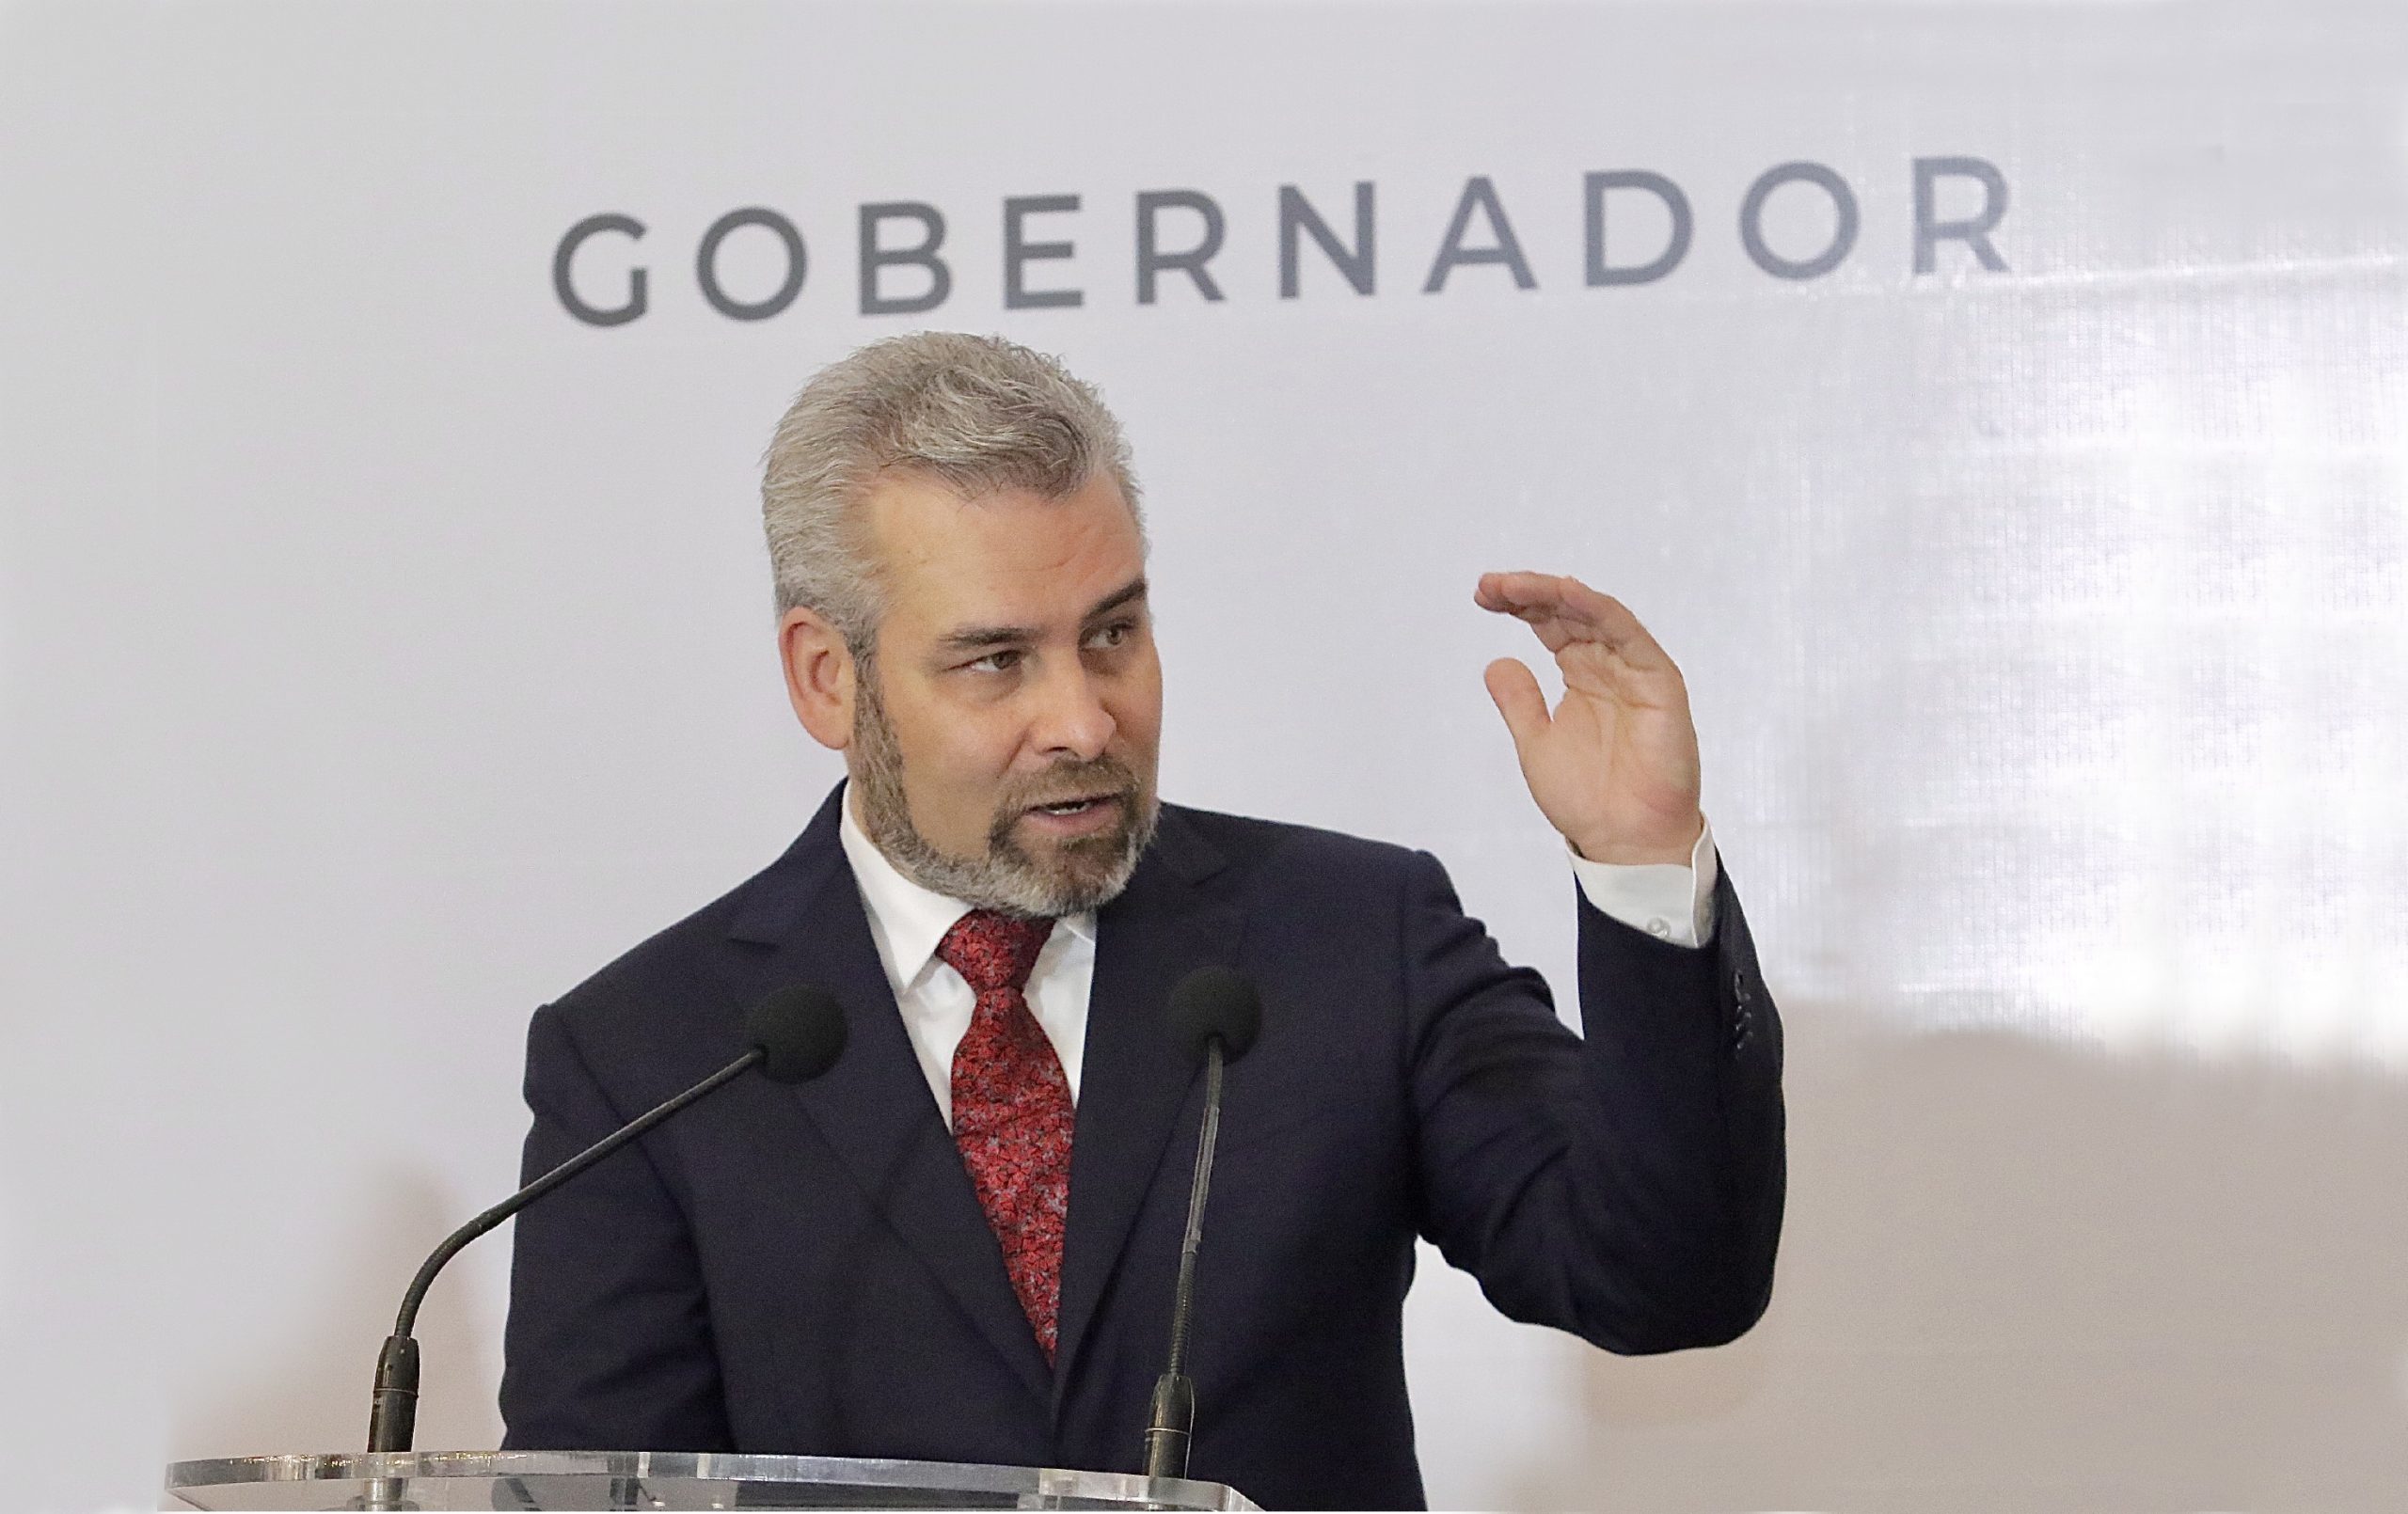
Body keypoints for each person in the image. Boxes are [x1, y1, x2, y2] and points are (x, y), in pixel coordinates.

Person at [499, 332, 1784, 1510]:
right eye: (997, 660)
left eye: (1112, 633)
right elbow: (585, 1495)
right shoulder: (650, 1059)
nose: (1083, 719)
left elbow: (1665, 1276)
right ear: (829, 678)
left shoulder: (1352, 937)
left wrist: (1639, 861)